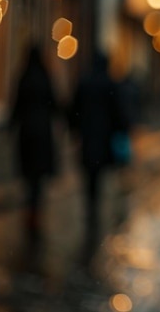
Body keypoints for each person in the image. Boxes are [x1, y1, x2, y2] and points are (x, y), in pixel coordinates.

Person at [69, 51, 129, 242]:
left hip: (88, 135)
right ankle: (95, 204)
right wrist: (121, 128)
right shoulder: (110, 83)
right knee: (99, 171)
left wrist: (75, 129)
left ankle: (90, 204)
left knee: (89, 172)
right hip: (103, 136)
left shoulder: (85, 82)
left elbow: (74, 109)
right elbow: (118, 111)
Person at [10, 45, 58, 237]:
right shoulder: (45, 78)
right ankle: (36, 211)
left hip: (27, 134)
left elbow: (16, 105)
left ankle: (30, 210)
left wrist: (11, 126)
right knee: (38, 177)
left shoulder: (23, 78)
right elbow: (54, 104)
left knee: (29, 175)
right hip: (42, 134)